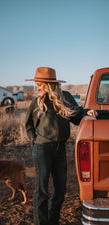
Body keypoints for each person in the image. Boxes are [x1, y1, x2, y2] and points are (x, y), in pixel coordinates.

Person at [25, 67, 97, 225]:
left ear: (50, 85)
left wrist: (86, 112)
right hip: (42, 149)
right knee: (42, 190)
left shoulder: (66, 98)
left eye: (40, 84)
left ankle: (52, 220)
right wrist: (34, 142)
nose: (37, 88)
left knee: (60, 189)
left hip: (60, 149)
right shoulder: (36, 103)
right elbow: (28, 125)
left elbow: (76, 114)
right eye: (37, 84)